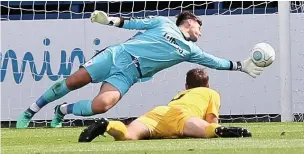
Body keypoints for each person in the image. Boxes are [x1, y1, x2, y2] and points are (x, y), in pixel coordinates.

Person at [16, 11, 263, 129]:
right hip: (117, 55)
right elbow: (133, 22)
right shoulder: (163, 23)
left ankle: (62, 110)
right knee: (74, 81)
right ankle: (30, 111)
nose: (201, 31)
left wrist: (241, 66)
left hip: (129, 75)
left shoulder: (190, 51)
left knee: (101, 106)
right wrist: (109, 21)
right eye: (200, 26)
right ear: (189, 21)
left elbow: (215, 61)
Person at [78, 68, 252, 142]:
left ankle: (107, 125)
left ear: (186, 87)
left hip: (159, 112)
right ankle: (222, 132)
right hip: (182, 117)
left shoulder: (180, 94)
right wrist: (214, 128)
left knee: (128, 134)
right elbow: (211, 119)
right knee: (208, 130)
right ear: (207, 85)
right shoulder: (210, 93)